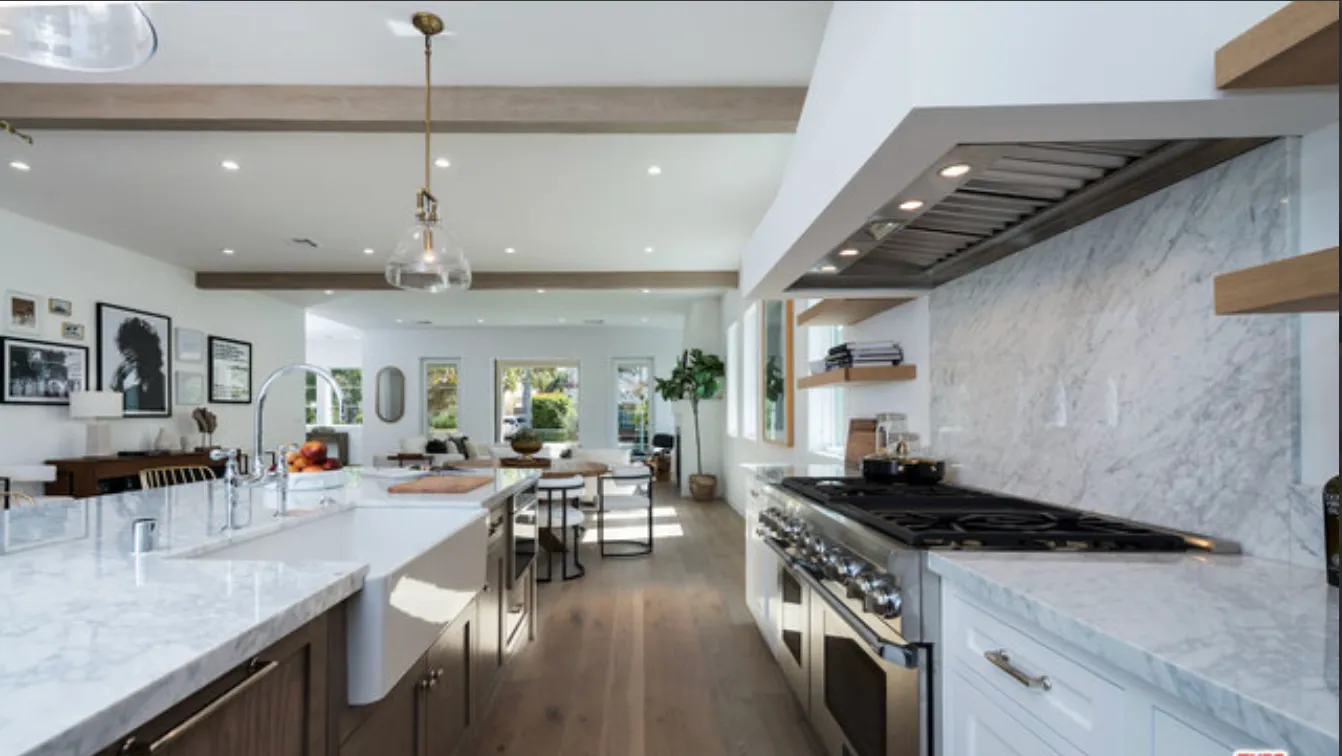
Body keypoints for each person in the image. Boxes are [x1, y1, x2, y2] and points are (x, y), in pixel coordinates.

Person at [111, 317, 165, 411]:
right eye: (124, 347)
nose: (126, 352)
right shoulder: (122, 374)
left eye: (130, 347)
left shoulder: (158, 378)